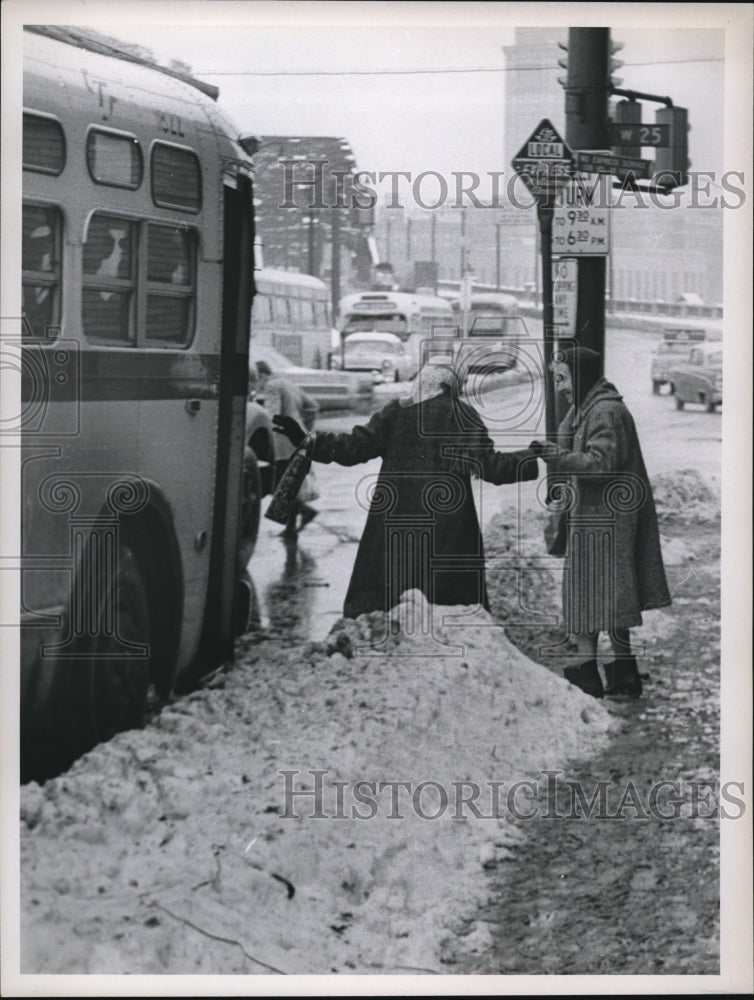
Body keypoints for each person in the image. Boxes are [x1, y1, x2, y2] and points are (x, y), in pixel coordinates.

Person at [273, 355, 540, 619]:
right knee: (447, 611)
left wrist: (306, 440)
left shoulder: (395, 413)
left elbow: (351, 448)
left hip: (392, 524)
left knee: (388, 605)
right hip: (446, 531)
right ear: (450, 385)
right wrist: (530, 456)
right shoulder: (461, 415)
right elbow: (490, 467)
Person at [530, 346, 671, 699]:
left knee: (606, 597)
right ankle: (610, 674)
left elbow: (601, 464)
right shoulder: (588, 408)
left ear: (580, 377)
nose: (560, 387)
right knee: (598, 597)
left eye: (563, 379)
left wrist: (556, 457)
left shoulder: (605, 411)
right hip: (595, 519)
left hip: (606, 523)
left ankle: (603, 676)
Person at [256, 360, 319, 539]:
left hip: (282, 441)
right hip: (297, 437)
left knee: (279, 483)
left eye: (257, 380)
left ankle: (305, 511)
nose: (258, 385)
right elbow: (313, 405)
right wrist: (304, 426)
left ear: (261, 375)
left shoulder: (271, 386)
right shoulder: (288, 383)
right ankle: (291, 528)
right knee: (289, 482)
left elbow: (272, 415)